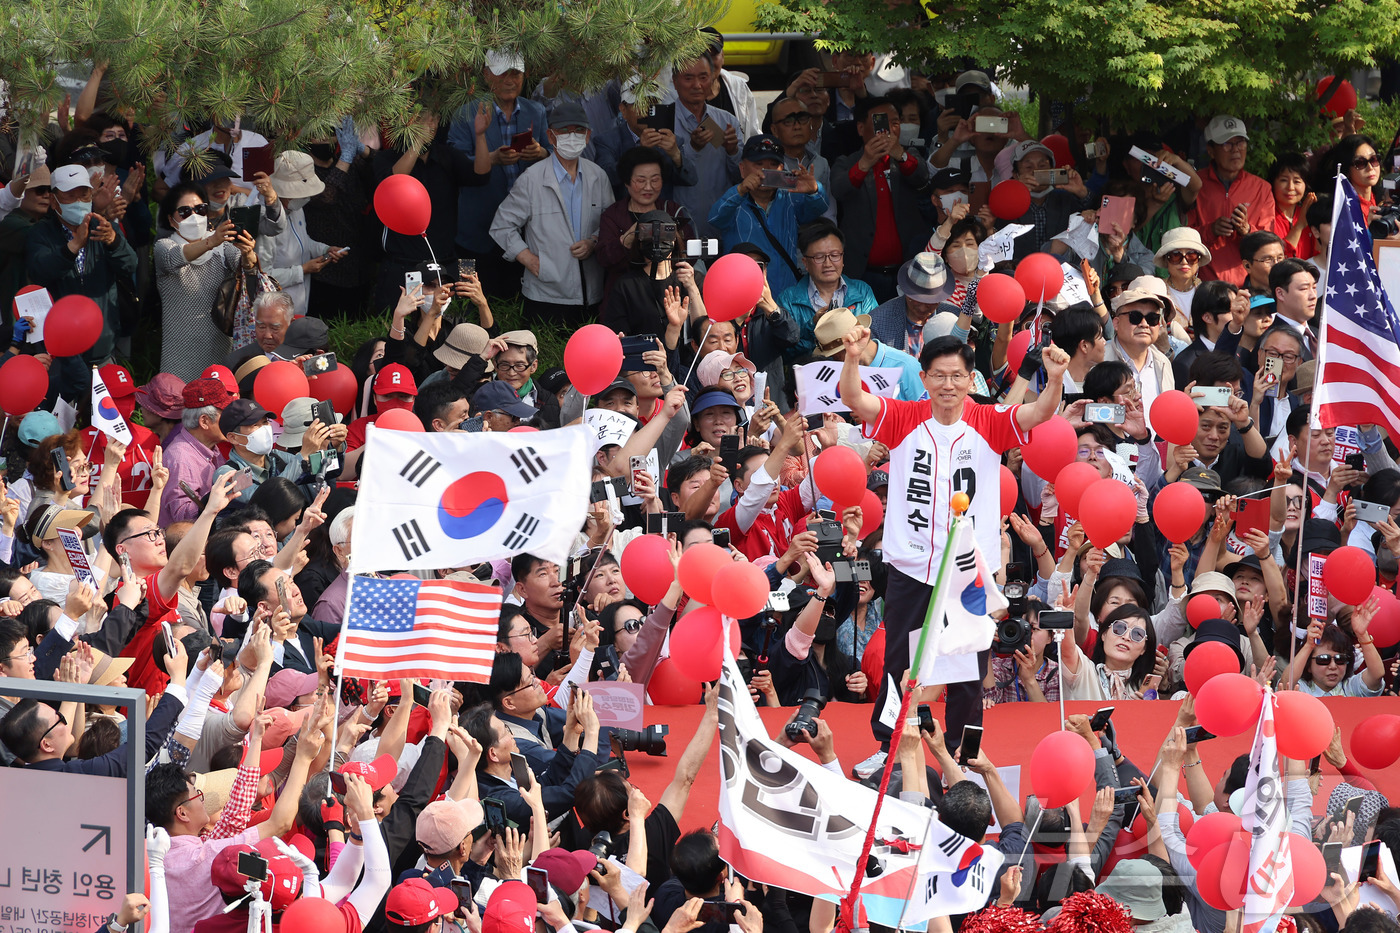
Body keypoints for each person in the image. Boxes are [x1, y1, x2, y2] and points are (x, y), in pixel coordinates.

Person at [837, 328, 1071, 775]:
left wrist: (1055, 379)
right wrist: (852, 357)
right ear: (923, 378)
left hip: (969, 569)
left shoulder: (988, 420)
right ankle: (889, 748)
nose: (948, 385)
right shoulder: (904, 416)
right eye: (939, 375)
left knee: (968, 666)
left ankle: (965, 759)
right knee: (899, 662)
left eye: (957, 376)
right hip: (911, 565)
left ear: (970, 380)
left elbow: (1039, 412)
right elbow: (856, 399)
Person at [490, 102, 615, 327]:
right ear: (550, 135)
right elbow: (501, 226)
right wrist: (528, 259)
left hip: (591, 292)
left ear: (588, 136)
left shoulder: (598, 176)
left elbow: (611, 223)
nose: (572, 136)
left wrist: (593, 241)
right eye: (564, 131)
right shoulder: (532, 178)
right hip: (545, 294)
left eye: (578, 131)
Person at [448, 49, 551, 298]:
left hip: (526, 223)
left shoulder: (535, 111)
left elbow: (553, 154)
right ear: (486, 75)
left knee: (517, 293)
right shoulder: (465, 114)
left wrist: (540, 153)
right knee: (470, 294)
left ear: (524, 76)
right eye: (501, 73)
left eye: (515, 73)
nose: (509, 79)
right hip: (476, 225)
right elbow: (454, 164)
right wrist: (491, 159)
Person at [155, 183, 259, 381]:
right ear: (171, 219)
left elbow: (245, 267)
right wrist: (211, 241)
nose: (194, 216)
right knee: (177, 408)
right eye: (184, 212)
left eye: (200, 209)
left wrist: (248, 253)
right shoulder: (164, 246)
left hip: (219, 351)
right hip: (179, 356)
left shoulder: (223, 246)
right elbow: (175, 258)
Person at [830, 97, 930, 300]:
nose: (889, 129)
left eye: (895, 122)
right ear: (860, 128)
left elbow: (921, 177)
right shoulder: (846, 162)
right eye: (881, 122)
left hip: (908, 270)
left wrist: (900, 155)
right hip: (863, 272)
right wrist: (865, 162)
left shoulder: (907, 156)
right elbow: (839, 189)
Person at [707, 134, 828, 297]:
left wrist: (814, 189)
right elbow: (715, 218)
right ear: (742, 169)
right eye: (759, 164)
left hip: (786, 297)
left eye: (774, 164)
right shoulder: (734, 200)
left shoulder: (790, 198)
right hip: (742, 297)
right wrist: (740, 190)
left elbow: (819, 207)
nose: (766, 171)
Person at [255, 151, 348, 318]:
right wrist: (303, 270)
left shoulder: (295, 208)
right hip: (273, 313)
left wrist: (325, 249)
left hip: (298, 305)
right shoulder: (265, 221)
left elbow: (303, 242)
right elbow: (262, 277)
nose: (304, 198)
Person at [1189, 115, 1274, 286]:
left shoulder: (1261, 188)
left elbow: (1271, 242)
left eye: (1240, 142)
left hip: (1251, 285)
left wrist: (1247, 229)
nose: (1236, 150)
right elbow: (1182, 235)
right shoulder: (1196, 184)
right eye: (1227, 144)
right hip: (1205, 283)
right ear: (1211, 150)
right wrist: (1211, 230)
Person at [777, 222, 878, 361]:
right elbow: (785, 352)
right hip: (812, 376)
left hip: (857, 371)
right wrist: (814, 328)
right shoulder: (788, 299)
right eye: (819, 257)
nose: (828, 263)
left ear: (842, 258)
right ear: (805, 263)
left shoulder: (862, 291)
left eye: (835, 255)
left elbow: (875, 337)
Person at [669, 53, 743, 239]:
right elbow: (662, 174)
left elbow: (741, 176)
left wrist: (733, 151)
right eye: (688, 78)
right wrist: (692, 149)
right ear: (675, 81)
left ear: (712, 78)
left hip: (722, 223)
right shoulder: (665, 122)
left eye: (703, 77)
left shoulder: (727, 121)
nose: (697, 85)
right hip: (679, 227)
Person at [867, 252, 953, 358]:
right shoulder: (878, 322)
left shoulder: (954, 318)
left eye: (930, 303)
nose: (922, 308)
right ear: (905, 291)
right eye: (915, 300)